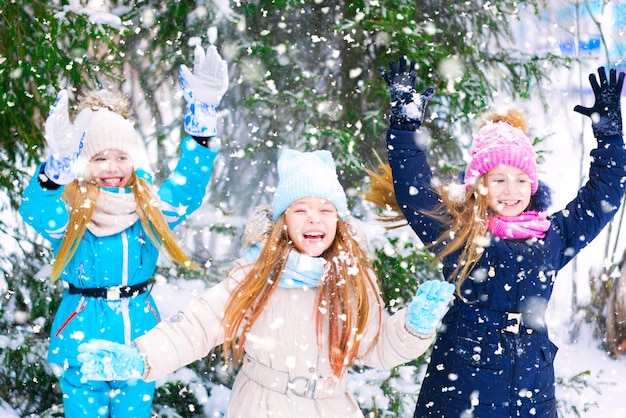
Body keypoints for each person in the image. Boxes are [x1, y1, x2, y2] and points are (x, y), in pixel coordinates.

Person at [76, 148, 456, 417]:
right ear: (283, 221)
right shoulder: (255, 274)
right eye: (301, 210)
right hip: (261, 405)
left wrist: (412, 327)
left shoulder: (353, 277)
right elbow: (198, 325)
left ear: (339, 221)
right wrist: (140, 356)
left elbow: (375, 348)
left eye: (325, 210)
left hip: (332, 407)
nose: (314, 220)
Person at [366, 56, 626, 417]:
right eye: (498, 179)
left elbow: (602, 198)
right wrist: (406, 126)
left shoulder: (551, 236)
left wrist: (610, 135)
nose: (511, 189)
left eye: (521, 180)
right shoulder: (460, 236)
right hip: (463, 382)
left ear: (532, 186)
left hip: (531, 386)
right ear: (480, 184)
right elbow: (415, 194)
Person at [19, 39, 229, 417]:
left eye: (121, 157)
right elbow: (35, 209)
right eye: (99, 158)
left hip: (139, 342)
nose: (113, 167)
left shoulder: (147, 208)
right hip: (81, 339)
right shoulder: (70, 213)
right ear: (83, 164)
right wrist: (53, 172)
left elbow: (187, 190)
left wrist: (201, 129)